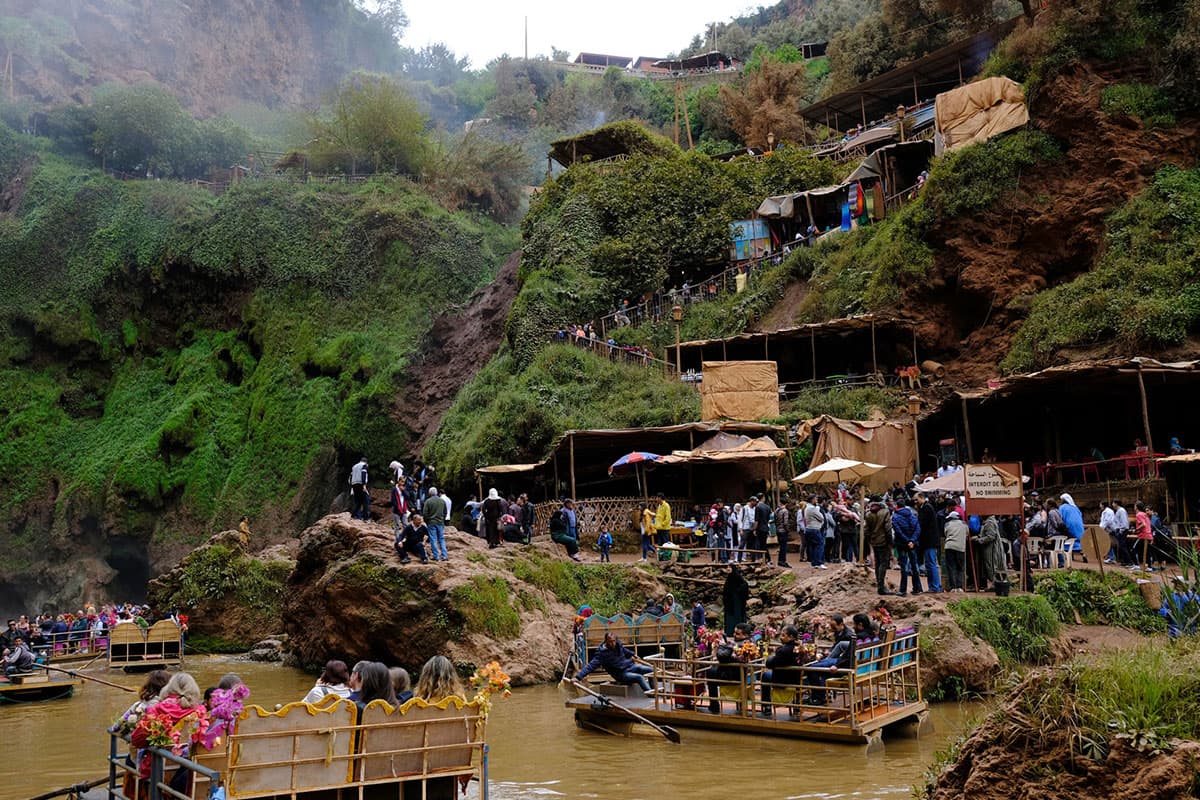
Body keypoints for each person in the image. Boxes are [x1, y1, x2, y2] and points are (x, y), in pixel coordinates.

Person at [130, 673, 209, 788]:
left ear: (169, 688)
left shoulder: (158, 710)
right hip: (189, 766)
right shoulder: (201, 712)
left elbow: (136, 740)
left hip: (159, 768)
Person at [574, 632, 654, 692]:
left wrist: (632, 654)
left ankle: (654, 690)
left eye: (614, 641)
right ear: (606, 641)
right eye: (610, 642)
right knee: (639, 677)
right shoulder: (602, 654)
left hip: (629, 667)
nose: (613, 643)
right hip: (620, 674)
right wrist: (578, 677)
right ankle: (651, 694)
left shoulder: (617, 644)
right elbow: (590, 666)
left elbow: (623, 650)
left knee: (651, 670)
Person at [705, 623, 752, 713]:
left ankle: (714, 705)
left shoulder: (740, 645)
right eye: (734, 633)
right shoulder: (750, 643)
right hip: (741, 673)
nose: (734, 635)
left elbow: (722, 657)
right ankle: (714, 704)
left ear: (745, 635)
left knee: (710, 672)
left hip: (732, 675)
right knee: (712, 670)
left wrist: (722, 646)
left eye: (737, 634)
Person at [759, 625, 802, 716]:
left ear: (791, 637)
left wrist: (770, 658)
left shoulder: (783, 651)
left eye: (783, 635)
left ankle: (766, 705)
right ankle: (797, 706)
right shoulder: (800, 648)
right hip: (797, 678)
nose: (781, 638)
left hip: (783, 679)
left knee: (765, 675)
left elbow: (770, 664)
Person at [892, 499, 922, 596]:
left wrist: (907, 540)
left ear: (897, 506)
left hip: (902, 544)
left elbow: (898, 530)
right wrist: (912, 540)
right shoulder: (912, 515)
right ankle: (917, 588)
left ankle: (903, 590)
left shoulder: (895, 517)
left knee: (904, 567)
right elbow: (918, 529)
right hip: (912, 544)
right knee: (914, 566)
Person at [865, 496, 893, 594]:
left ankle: (879, 584)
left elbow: (866, 530)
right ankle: (881, 587)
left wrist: (869, 540)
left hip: (874, 541)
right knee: (883, 563)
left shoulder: (868, 514)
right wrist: (890, 542)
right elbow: (888, 528)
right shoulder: (885, 512)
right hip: (884, 541)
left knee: (877, 563)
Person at [914, 493, 942, 593]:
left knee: (931, 564)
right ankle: (933, 586)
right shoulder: (924, 508)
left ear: (922, 498)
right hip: (927, 542)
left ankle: (935, 587)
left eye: (916, 499)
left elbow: (922, 524)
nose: (915, 502)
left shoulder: (927, 508)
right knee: (929, 565)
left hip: (930, 541)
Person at [973, 515, 1004, 591]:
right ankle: (994, 583)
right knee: (989, 566)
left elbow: (991, 536)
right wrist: (979, 536)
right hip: (989, 549)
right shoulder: (987, 522)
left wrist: (979, 540)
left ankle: (995, 584)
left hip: (991, 549)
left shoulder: (989, 522)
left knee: (991, 566)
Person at [943, 511, 969, 592]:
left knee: (951, 567)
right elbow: (967, 533)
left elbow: (945, 533)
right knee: (960, 567)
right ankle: (959, 586)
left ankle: (953, 587)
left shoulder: (947, 524)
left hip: (949, 546)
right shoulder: (964, 524)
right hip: (960, 547)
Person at [421, 488, 449, 562]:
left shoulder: (428, 501)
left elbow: (425, 513)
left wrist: (427, 521)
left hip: (431, 522)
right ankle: (444, 555)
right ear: (436, 493)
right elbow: (445, 512)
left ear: (429, 493)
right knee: (441, 539)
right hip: (440, 523)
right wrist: (442, 519)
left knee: (433, 539)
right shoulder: (442, 501)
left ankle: (436, 556)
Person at [721, 566, 750, 635]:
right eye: (727, 567)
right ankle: (730, 632)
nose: (728, 568)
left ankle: (739, 632)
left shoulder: (737, 576)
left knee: (737, 616)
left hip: (736, 602)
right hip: (729, 602)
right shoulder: (729, 578)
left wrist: (737, 591)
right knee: (730, 616)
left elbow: (745, 585)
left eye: (729, 567)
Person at [1059, 493, 1085, 564]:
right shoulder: (1076, 508)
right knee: (1078, 539)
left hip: (1069, 526)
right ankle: (1082, 551)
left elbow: (1060, 517)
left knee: (1068, 539)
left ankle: (1067, 553)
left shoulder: (1062, 507)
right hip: (1079, 528)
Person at [803, 495, 826, 569]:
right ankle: (819, 562)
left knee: (813, 546)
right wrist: (817, 509)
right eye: (815, 498)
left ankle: (814, 563)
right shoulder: (813, 508)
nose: (816, 500)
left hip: (808, 529)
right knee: (820, 545)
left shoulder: (806, 508)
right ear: (812, 500)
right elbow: (821, 517)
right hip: (815, 529)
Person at [1132, 501, 1154, 571]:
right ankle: (1149, 567)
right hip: (1149, 535)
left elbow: (1143, 524)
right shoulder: (1145, 514)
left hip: (1143, 536)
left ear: (1136, 507)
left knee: (1133, 549)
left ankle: (1136, 565)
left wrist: (1136, 529)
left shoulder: (1138, 514)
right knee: (1147, 551)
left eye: (1135, 505)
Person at [349, 456, 370, 521]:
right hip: (360, 484)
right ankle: (366, 518)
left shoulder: (354, 466)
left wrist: (352, 486)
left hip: (354, 485)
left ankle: (353, 515)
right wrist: (364, 485)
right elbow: (363, 474)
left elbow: (351, 477)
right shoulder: (364, 465)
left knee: (358, 502)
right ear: (366, 462)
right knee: (366, 500)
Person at [774, 496, 792, 567]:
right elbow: (785, 522)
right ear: (786, 503)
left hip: (778, 530)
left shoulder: (777, 510)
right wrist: (787, 530)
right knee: (784, 547)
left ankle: (780, 560)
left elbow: (775, 520)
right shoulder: (785, 511)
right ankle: (783, 561)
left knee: (781, 546)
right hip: (783, 531)